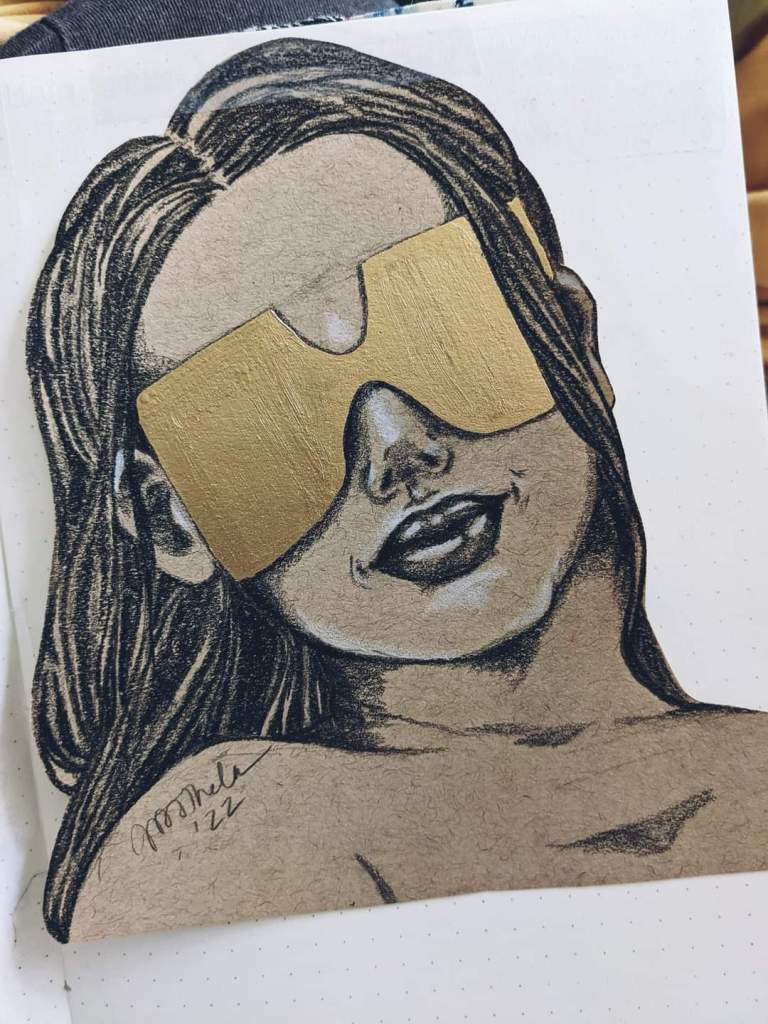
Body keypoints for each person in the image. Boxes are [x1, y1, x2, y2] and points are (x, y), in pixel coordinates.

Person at [28, 38, 767, 943]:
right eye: (265, 407)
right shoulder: (232, 836)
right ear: (171, 521)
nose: (398, 448)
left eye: (444, 327)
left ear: (570, 335)